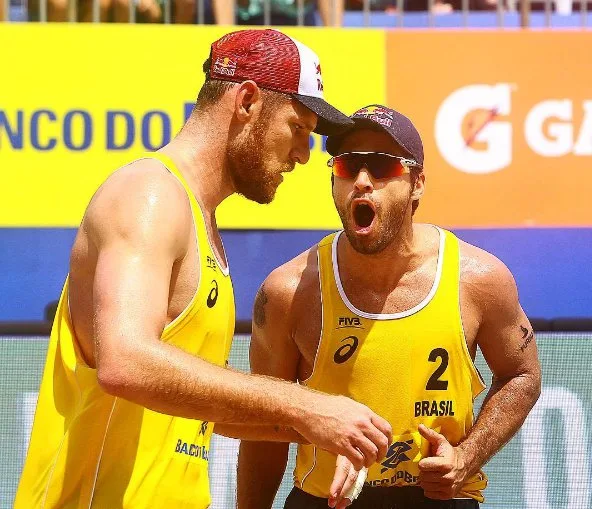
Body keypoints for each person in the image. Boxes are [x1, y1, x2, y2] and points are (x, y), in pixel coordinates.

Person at [14, 32, 393, 508]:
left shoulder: (200, 221)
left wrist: (315, 429)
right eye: (298, 128)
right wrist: (305, 404)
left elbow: (196, 404)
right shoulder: (149, 195)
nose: (302, 155)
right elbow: (125, 361)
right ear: (248, 101)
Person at [237, 104, 542, 509]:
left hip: (439, 497)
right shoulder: (290, 291)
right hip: (326, 500)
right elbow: (263, 426)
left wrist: (467, 458)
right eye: (348, 166)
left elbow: (522, 375)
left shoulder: (477, 278)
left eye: (381, 166)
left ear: (416, 183)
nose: (362, 181)